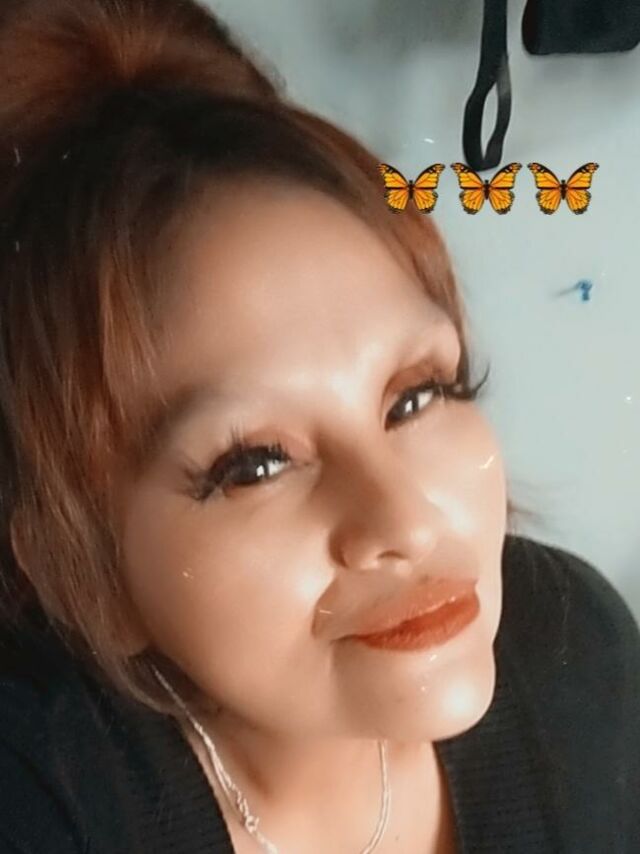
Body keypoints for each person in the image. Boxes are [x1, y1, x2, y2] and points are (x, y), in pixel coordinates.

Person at [0, 1, 638, 852]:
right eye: (255, 464)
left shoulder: (577, 655)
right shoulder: (42, 797)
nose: (407, 522)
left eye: (417, 396)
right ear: (84, 571)